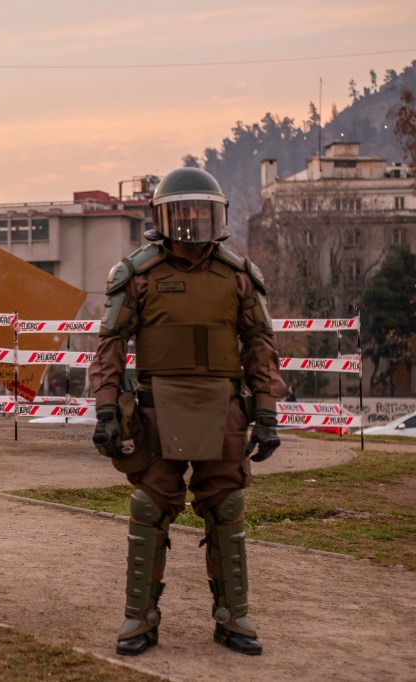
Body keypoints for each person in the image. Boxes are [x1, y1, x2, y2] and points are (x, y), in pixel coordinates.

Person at [88, 167, 284, 657]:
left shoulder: (239, 277)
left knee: (228, 509)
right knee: (148, 509)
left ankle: (233, 616)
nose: (193, 221)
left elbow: (260, 347)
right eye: (184, 211)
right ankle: (140, 619)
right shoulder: (137, 275)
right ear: (162, 217)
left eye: (202, 210)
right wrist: (107, 409)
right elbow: (109, 345)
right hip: (156, 412)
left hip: (225, 412)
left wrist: (266, 412)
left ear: (218, 215)